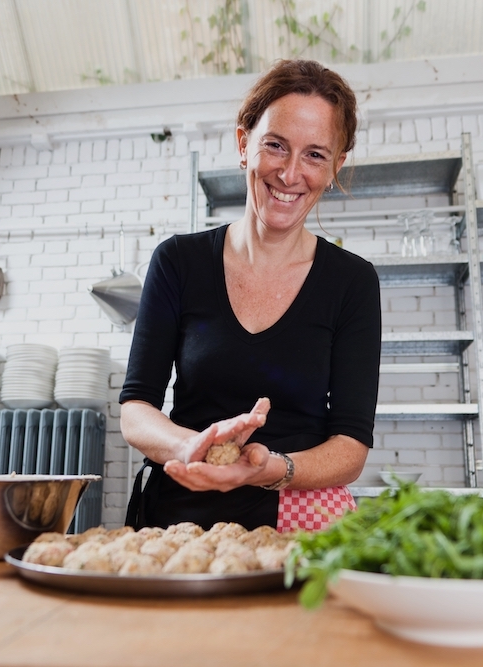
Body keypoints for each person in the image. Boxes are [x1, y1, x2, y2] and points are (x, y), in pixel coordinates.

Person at [119, 59, 381, 532]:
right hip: (178, 521)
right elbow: (137, 410)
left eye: (315, 155)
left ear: (336, 166)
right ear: (244, 145)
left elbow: (350, 447)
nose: (290, 173)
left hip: (299, 519)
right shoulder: (178, 261)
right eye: (276, 146)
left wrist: (273, 468)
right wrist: (191, 447)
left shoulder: (352, 283)